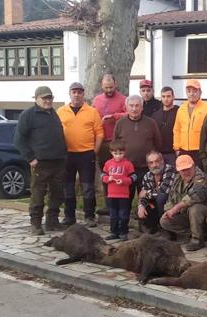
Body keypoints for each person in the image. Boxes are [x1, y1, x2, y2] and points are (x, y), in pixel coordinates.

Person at [14, 86, 67, 235]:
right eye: (44, 98)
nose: (48, 100)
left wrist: (64, 155)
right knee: (38, 194)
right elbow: (19, 140)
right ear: (36, 99)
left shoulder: (53, 114)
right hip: (40, 163)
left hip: (58, 161)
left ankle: (52, 222)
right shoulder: (28, 115)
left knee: (57, 194)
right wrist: (30, 158)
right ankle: (36, 224)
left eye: (50, 98)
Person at [57, 82, 104, 227]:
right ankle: (69, 216)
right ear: (69, 94)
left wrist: (94, 151)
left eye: (79, 92)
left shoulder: (92, 111)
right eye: (74, 92)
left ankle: (89, 216)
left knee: (88, 187)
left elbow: (100, 133)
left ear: (83, 94)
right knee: (68, 187)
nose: (76, 94)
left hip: (86, 154)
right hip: (67, 155)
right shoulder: (61, 111)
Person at [160, 155, 207, 251]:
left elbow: (197, 195)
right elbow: (171, 199)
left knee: (195, 208)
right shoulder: (177, 179)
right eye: (183, 170)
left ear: (193, 166)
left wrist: (175, 209)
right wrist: (168, 211)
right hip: (186, 214)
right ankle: (197, 233)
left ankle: (197, 240)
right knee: (164, 221)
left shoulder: (201, 177)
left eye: (188, 169)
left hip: (206, 212)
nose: (186, 172)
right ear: (179, 171)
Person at [114, 94, 162, 200]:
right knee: (125, 198)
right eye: (131, 106)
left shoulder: (151, 123)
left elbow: (158, 143)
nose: (134, 109)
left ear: (142, 107)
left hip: (146, 168)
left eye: (137, 106)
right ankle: (124, 216)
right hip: (126, 169)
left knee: (147, 198)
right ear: (126, 107)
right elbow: (115, 145)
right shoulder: (120, 123)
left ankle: (144, 216)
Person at [93, 74, 127, 215]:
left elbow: (128, 113)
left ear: (115, 84)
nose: (109, 90)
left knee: (119, 172)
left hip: (117, 143)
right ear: (102, 86)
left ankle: (123, 205)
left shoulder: (123, 99)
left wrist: (114, 116)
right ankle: (109, 204)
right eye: (106, 88)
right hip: (101, 142)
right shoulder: (97, 100)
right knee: (106, 174)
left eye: (111, 87)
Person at [172, 79, 207, 168]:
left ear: (200, 92)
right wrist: (177, 148)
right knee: (185, 177)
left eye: (195, 91)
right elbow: (177, 129)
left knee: (200, 178)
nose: (191, 93)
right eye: (189, 91)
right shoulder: (181, 109)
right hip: (183, 150)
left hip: (200, 151)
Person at [101, 140, 136, 241]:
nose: (118, 156)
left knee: (123, 214)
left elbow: (133, 177)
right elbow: (103, 175)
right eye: (115, 153)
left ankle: (123, 232)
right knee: (113, 215)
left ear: (124, 152)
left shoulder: (128, 164)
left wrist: (124, 181)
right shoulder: (108, 163)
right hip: (111, 195)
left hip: (124, 195)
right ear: (111, 152)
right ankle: (113, 232)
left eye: (120, 153)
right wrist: (108, 179)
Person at [137, 150, 176, 234]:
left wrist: (147, 193)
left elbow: (164, 191)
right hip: (157, 204)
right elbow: (142, 196)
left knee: (161, 197)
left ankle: (167, 229)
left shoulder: (169, 170)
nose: (154, 165)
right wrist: (141, 206)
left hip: (172, 204)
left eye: (157, 161)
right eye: (151, 163)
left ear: (162, 161)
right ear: (148, 165)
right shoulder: (147, 176)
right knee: (145, 204)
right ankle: (152, 227)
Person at [151, 86, 179, 166]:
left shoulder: (179, 112)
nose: (166, 99)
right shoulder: (155, 115)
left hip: (174, 153)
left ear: (173, 97)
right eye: (163, 96)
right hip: (158, 153)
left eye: (168, 96)